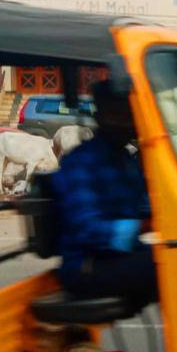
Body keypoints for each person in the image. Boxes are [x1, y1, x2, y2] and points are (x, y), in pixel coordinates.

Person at [50, 81, 157, 308]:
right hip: (87, 266)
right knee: (168, 267)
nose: (126, 122)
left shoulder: (126, 160)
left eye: (129, 114)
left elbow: (145, 208)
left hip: (121, 259)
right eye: (118, 114)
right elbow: (88, 230)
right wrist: (143, 226)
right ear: (101, 117)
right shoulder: (80, 163)